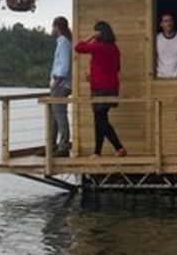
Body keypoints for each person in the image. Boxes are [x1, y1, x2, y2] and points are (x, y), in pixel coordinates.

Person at [74, 21, 126, 157]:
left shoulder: (98, 46)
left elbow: (78, 48)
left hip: (100, 88)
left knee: (100, 120)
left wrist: (91, 36)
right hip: (112, 87)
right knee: (100, 118)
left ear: (100, 33)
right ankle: (97, 152)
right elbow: (117, 68)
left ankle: (119, 147)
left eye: (96, 31)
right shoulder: (114, 48)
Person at [49, 16, 72, 156]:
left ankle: (63, 147)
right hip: (61, 84)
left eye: (52, 27)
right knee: (54, 115)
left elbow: (64, 65)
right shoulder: (64, 41)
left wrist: (56, 81)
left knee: (60, 115)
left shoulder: (63, 42)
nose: (51, 30)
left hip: (61, 84)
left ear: (57, 28)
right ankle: (52, 145)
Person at [155, 12, 177, 78]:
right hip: (161, 77)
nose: (169, 23)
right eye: (166, 21)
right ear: (161, 24)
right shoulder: (156, 39)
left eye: (170, 20)